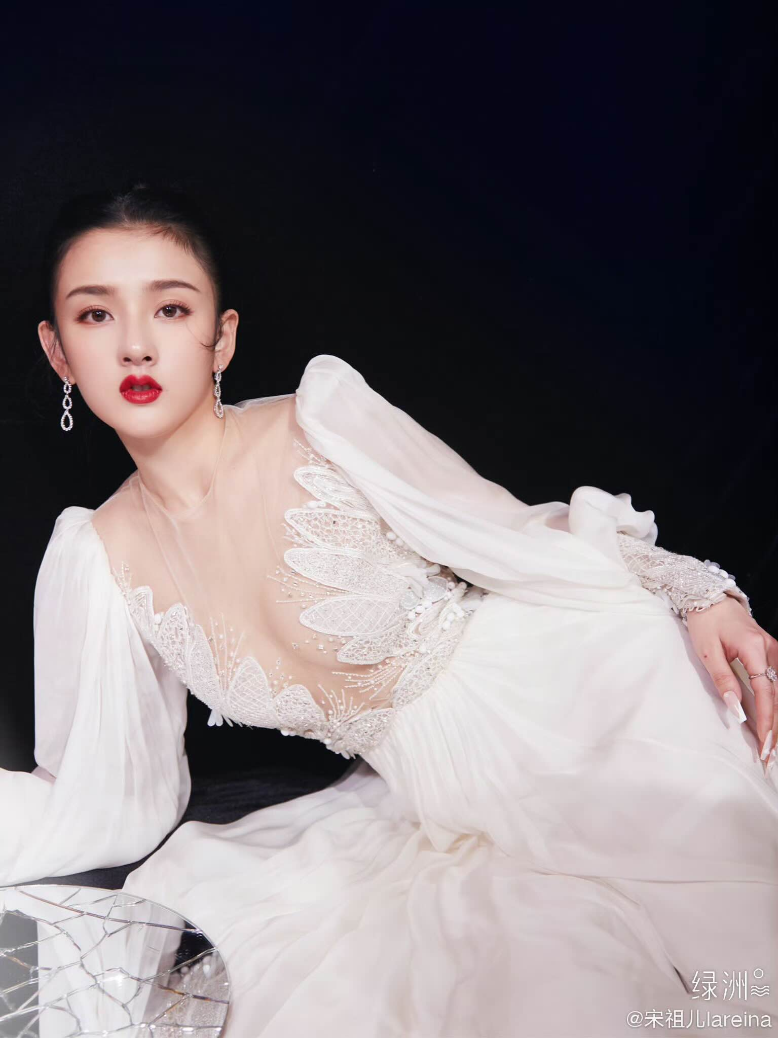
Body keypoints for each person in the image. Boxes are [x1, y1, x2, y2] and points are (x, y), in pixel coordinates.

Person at [2, 182, 776, 1038]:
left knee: (730, 958)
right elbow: (106, 791)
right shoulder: (101, 555)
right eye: (96, 315)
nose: (137, 345)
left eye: (171, 309)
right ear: (58, 353)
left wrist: (698, 591)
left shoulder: (320, 424)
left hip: (583, 708)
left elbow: (513, 530)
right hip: (432, 804)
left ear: (222, 337)